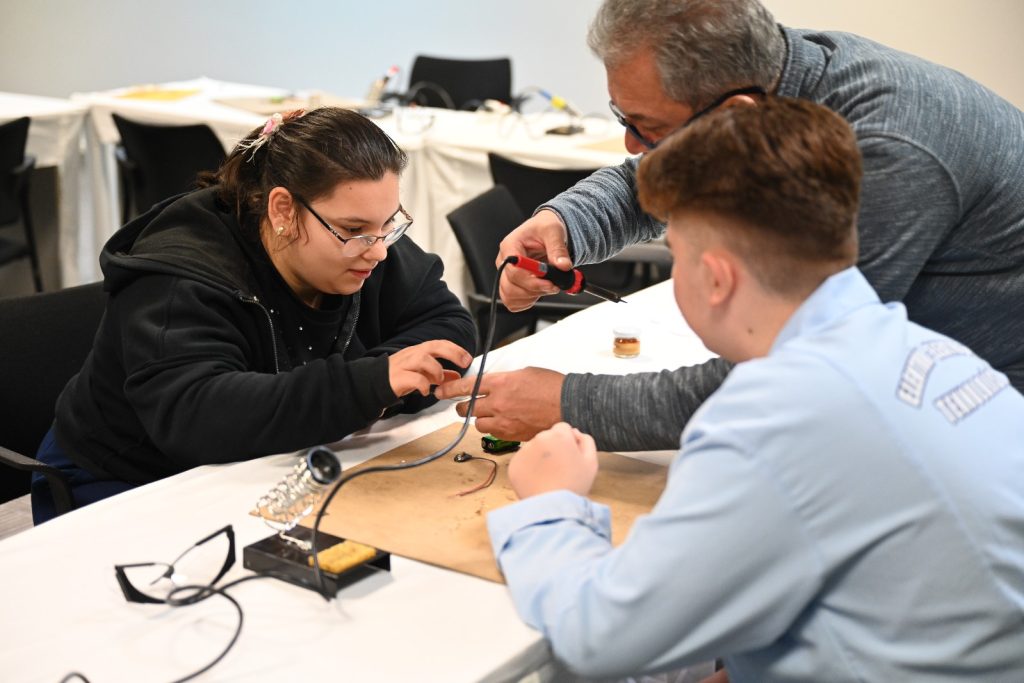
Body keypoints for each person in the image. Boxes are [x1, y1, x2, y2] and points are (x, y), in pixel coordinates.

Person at [488, 97, 1024, 682]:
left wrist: (549, 504)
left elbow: (598, 637)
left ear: (716, 278)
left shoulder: (772, 417)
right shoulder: (935, 355)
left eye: (677, 258)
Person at [436, 0, 1024, 451]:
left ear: (734, 111)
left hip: (987, 412)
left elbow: (795, 377)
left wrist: (571, 404)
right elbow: (665, 166)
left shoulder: (890, 152)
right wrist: (565, 223)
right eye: (622, 118)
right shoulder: (763, 71)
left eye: (644, 125)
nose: (632, 144)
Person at [31, 107, 475, 523]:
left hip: (263, 462)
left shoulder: (361, 240)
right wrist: (367, 385)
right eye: (355, 230)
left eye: (389, 224)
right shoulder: (182, 276)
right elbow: (199, 416)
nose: (378, 251)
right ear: (283, 210)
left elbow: (449, 324)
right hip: (130, 481)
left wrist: (380, 382)